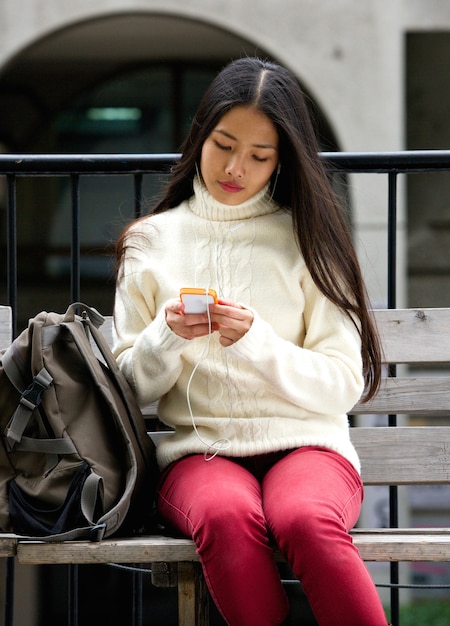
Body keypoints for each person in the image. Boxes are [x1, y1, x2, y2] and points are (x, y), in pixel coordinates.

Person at [113, 57, 389, 626]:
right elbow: (128, 391)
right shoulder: (150, 243)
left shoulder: (307, 237)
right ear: (199, 137)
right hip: (199, 453)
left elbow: (343, 382)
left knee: (305, 518)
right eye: (223, 145)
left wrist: (255, 341)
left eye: (259, 156)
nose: (236, 168)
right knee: (224, 513)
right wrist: (165, 336)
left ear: (282, 161)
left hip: (308, 446)